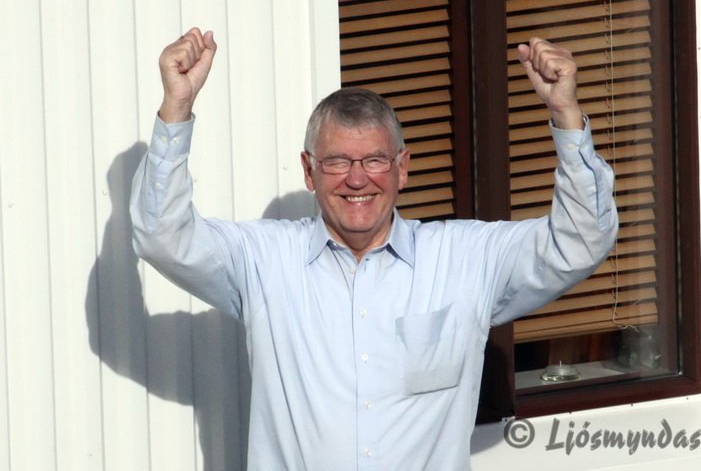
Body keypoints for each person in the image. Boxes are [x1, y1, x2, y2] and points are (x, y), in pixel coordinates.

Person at [130, 27, 618, 470]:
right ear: (309, 171)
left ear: (402, 169)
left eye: (375, 160)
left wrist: (565, 115)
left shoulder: (466, 259)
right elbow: (162, 236)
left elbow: (579, 241)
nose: (357, 179)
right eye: (337, 161)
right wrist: (177, 109)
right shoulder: (264, 261)